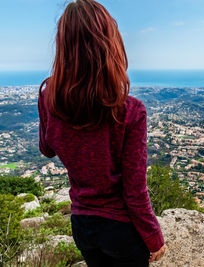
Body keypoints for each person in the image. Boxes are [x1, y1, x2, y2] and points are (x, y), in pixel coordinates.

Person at [37, 0, 166, 266]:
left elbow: (47, 148)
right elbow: (134, 191)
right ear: (110, 46)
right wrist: (154, 237)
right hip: (122, 231)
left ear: (64, 47)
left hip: (82, 225)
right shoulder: (129, 111)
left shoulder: (48, 96)